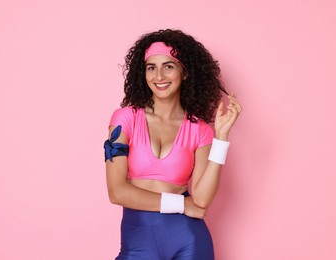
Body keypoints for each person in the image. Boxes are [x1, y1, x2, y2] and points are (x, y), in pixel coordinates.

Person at [104, 29, 242, 260]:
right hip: (138, 244)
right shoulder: (125, 118)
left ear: (185, 73)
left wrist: (221, 138)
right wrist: (181, 205)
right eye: (151, 67)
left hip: (189, 242)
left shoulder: (199, 130)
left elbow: (201, 200)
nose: (159, 76)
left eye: (168, 66)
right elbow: (117, 192)